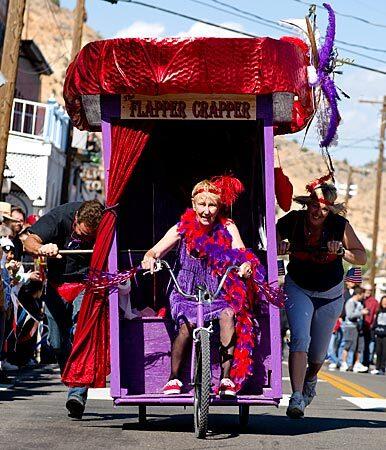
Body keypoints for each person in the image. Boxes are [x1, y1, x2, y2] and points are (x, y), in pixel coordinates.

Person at [141, 176, 270, 397]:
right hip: (185, 291)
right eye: (202, 204)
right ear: (193, 204)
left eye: (212, 205)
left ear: (219, 207)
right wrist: (150, 259)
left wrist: (245, 266)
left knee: (229, 315)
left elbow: (241, 253)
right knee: (186, 325)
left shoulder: (228, 227)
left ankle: (226, 379)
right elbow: (155, 251)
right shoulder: (182, 227)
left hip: (217, 289)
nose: (207, 210)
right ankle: (174, 378)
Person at [276, 176, 366, 418]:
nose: (318, 212)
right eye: (315, 206)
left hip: (330, 294)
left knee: (317, 354)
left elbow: (361, 257)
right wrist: (279, 246)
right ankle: (296, 396)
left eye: (324, 209)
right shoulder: (293, 221)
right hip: (299, 288)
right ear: (308, 204)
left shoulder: (339, 225)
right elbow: (270, 241)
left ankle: (311, 377)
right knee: (300, 339)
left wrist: (344, 252)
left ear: (331, 210)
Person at [23, 200, 103, 419]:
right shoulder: (59, 217)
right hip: (58, 283)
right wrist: (42, 248)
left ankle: (77, 392)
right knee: (56, 342)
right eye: (81, 233)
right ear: (75, 220)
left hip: (87, 282)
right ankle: (71, 373)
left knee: (81, 335)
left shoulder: (106, 222)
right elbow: (28, 241)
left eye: (89, 237)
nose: (84, 239)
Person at [340, 286, 368, 373]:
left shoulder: (359, 303)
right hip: (350, 326)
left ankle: (356, 364)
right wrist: (361, 312)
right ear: (359, 294)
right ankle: (344, 363)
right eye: (363, 294)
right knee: (348, 344)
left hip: (358, 327)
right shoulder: (350, 302)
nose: (364, 296)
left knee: (358, 346)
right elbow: (349, 315)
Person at [362, 284, 379, 367]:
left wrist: (373, 325)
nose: (368, 292)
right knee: (359, 346)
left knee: (368, 346)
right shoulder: (361, 299)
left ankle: (366, 363)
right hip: (360, 326)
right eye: (366, 290)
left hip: (369, 327)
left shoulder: (374, 301)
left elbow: (376, 314)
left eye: (370, 290)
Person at [371, 295, 386, 375]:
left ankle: (382, 368)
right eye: (383, 302)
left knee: (384, 352)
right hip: (378, 333)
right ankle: (377, 367)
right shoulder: (378, 311)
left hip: (385, 335)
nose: (384, 303)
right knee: (378, 351)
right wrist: (373, 331)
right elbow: (375, 322)